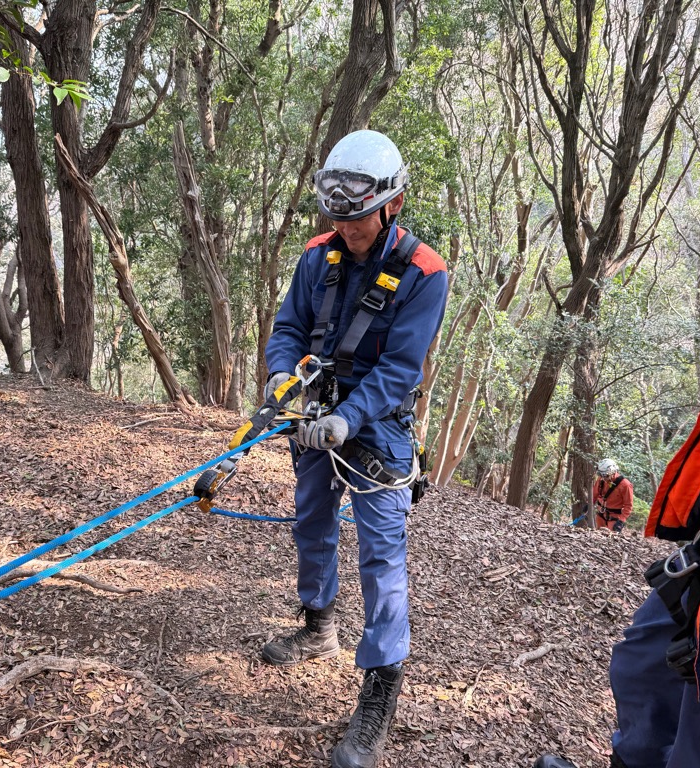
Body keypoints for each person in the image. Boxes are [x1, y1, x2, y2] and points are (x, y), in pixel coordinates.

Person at [260, 129, 448, 768]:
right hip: (315, 412)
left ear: (393, 205)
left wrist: (348, 418)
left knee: (381, 554)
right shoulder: (319, 256)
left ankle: (380, 688)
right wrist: (283, 377)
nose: (347, 230)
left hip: (379, 426)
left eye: (359, 219)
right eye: (338, 219)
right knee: (311, 520)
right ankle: (318, 626)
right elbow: (289, 326)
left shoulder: (424, 274)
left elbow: (400, 368)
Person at [536, 379, 700, 768]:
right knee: (641, 663)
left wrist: (616, 522)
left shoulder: (623, 485)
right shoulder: (601, 482)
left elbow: (624, 507)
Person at [593, 458, 634, 532]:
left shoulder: (625, 485)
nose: (603, 478)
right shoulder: (601, 479)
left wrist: (621, 521)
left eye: (605, 475)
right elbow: (595, 493)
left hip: (614, 518)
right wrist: (589, 504)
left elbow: (628, 505)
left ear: (612, 472)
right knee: (597, 535)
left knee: (611, 536)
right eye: (601, 475)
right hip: (600, 515)